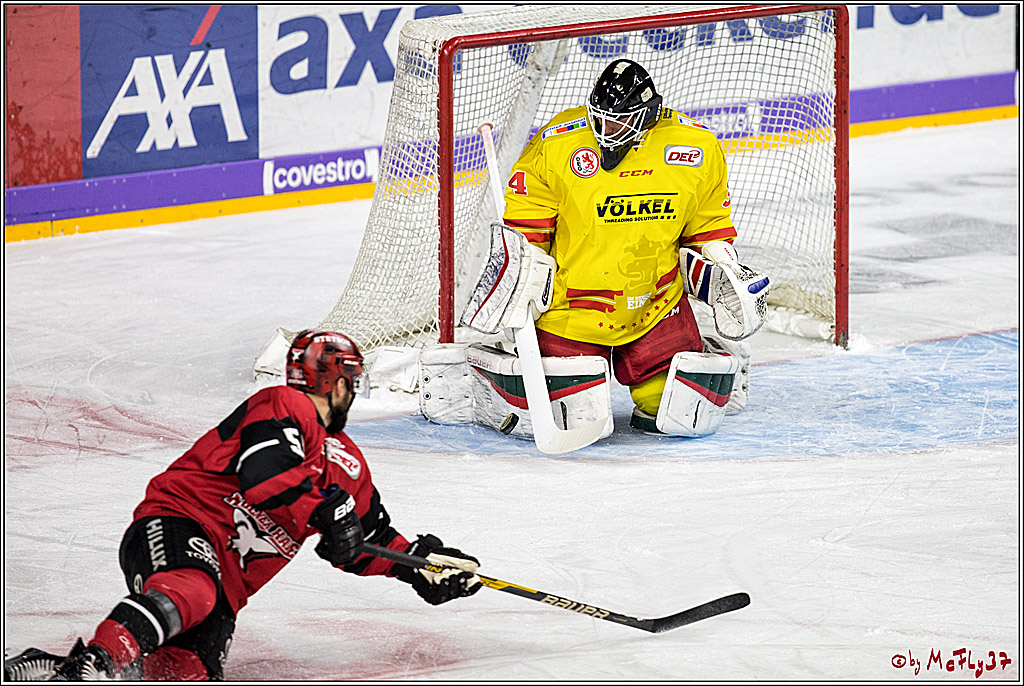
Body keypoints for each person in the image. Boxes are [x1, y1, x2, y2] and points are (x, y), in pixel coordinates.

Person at [4, 330, 481, 681]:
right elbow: (266, 476)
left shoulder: (350, 463)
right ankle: (89, 668)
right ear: (337, 384)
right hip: (177, 525)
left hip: (225, 589)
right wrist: (324, 514)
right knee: (193, 587)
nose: (352, 395)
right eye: (350, 383)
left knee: (187, 671)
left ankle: (44, 667)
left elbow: (364, 541)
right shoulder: (280, 404)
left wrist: (421, 564)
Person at [492, 58, 767, 435]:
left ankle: (721, 356)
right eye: (600, 118)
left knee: (679, 414)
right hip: (570, 309)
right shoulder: (558, 144)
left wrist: (726, 264)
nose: (606, 130)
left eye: (619, 121)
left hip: (654, 306)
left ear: (648, 115)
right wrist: (522, 273)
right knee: (578, 417)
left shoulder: (695, 146)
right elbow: (527, 221)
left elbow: (708, 226)